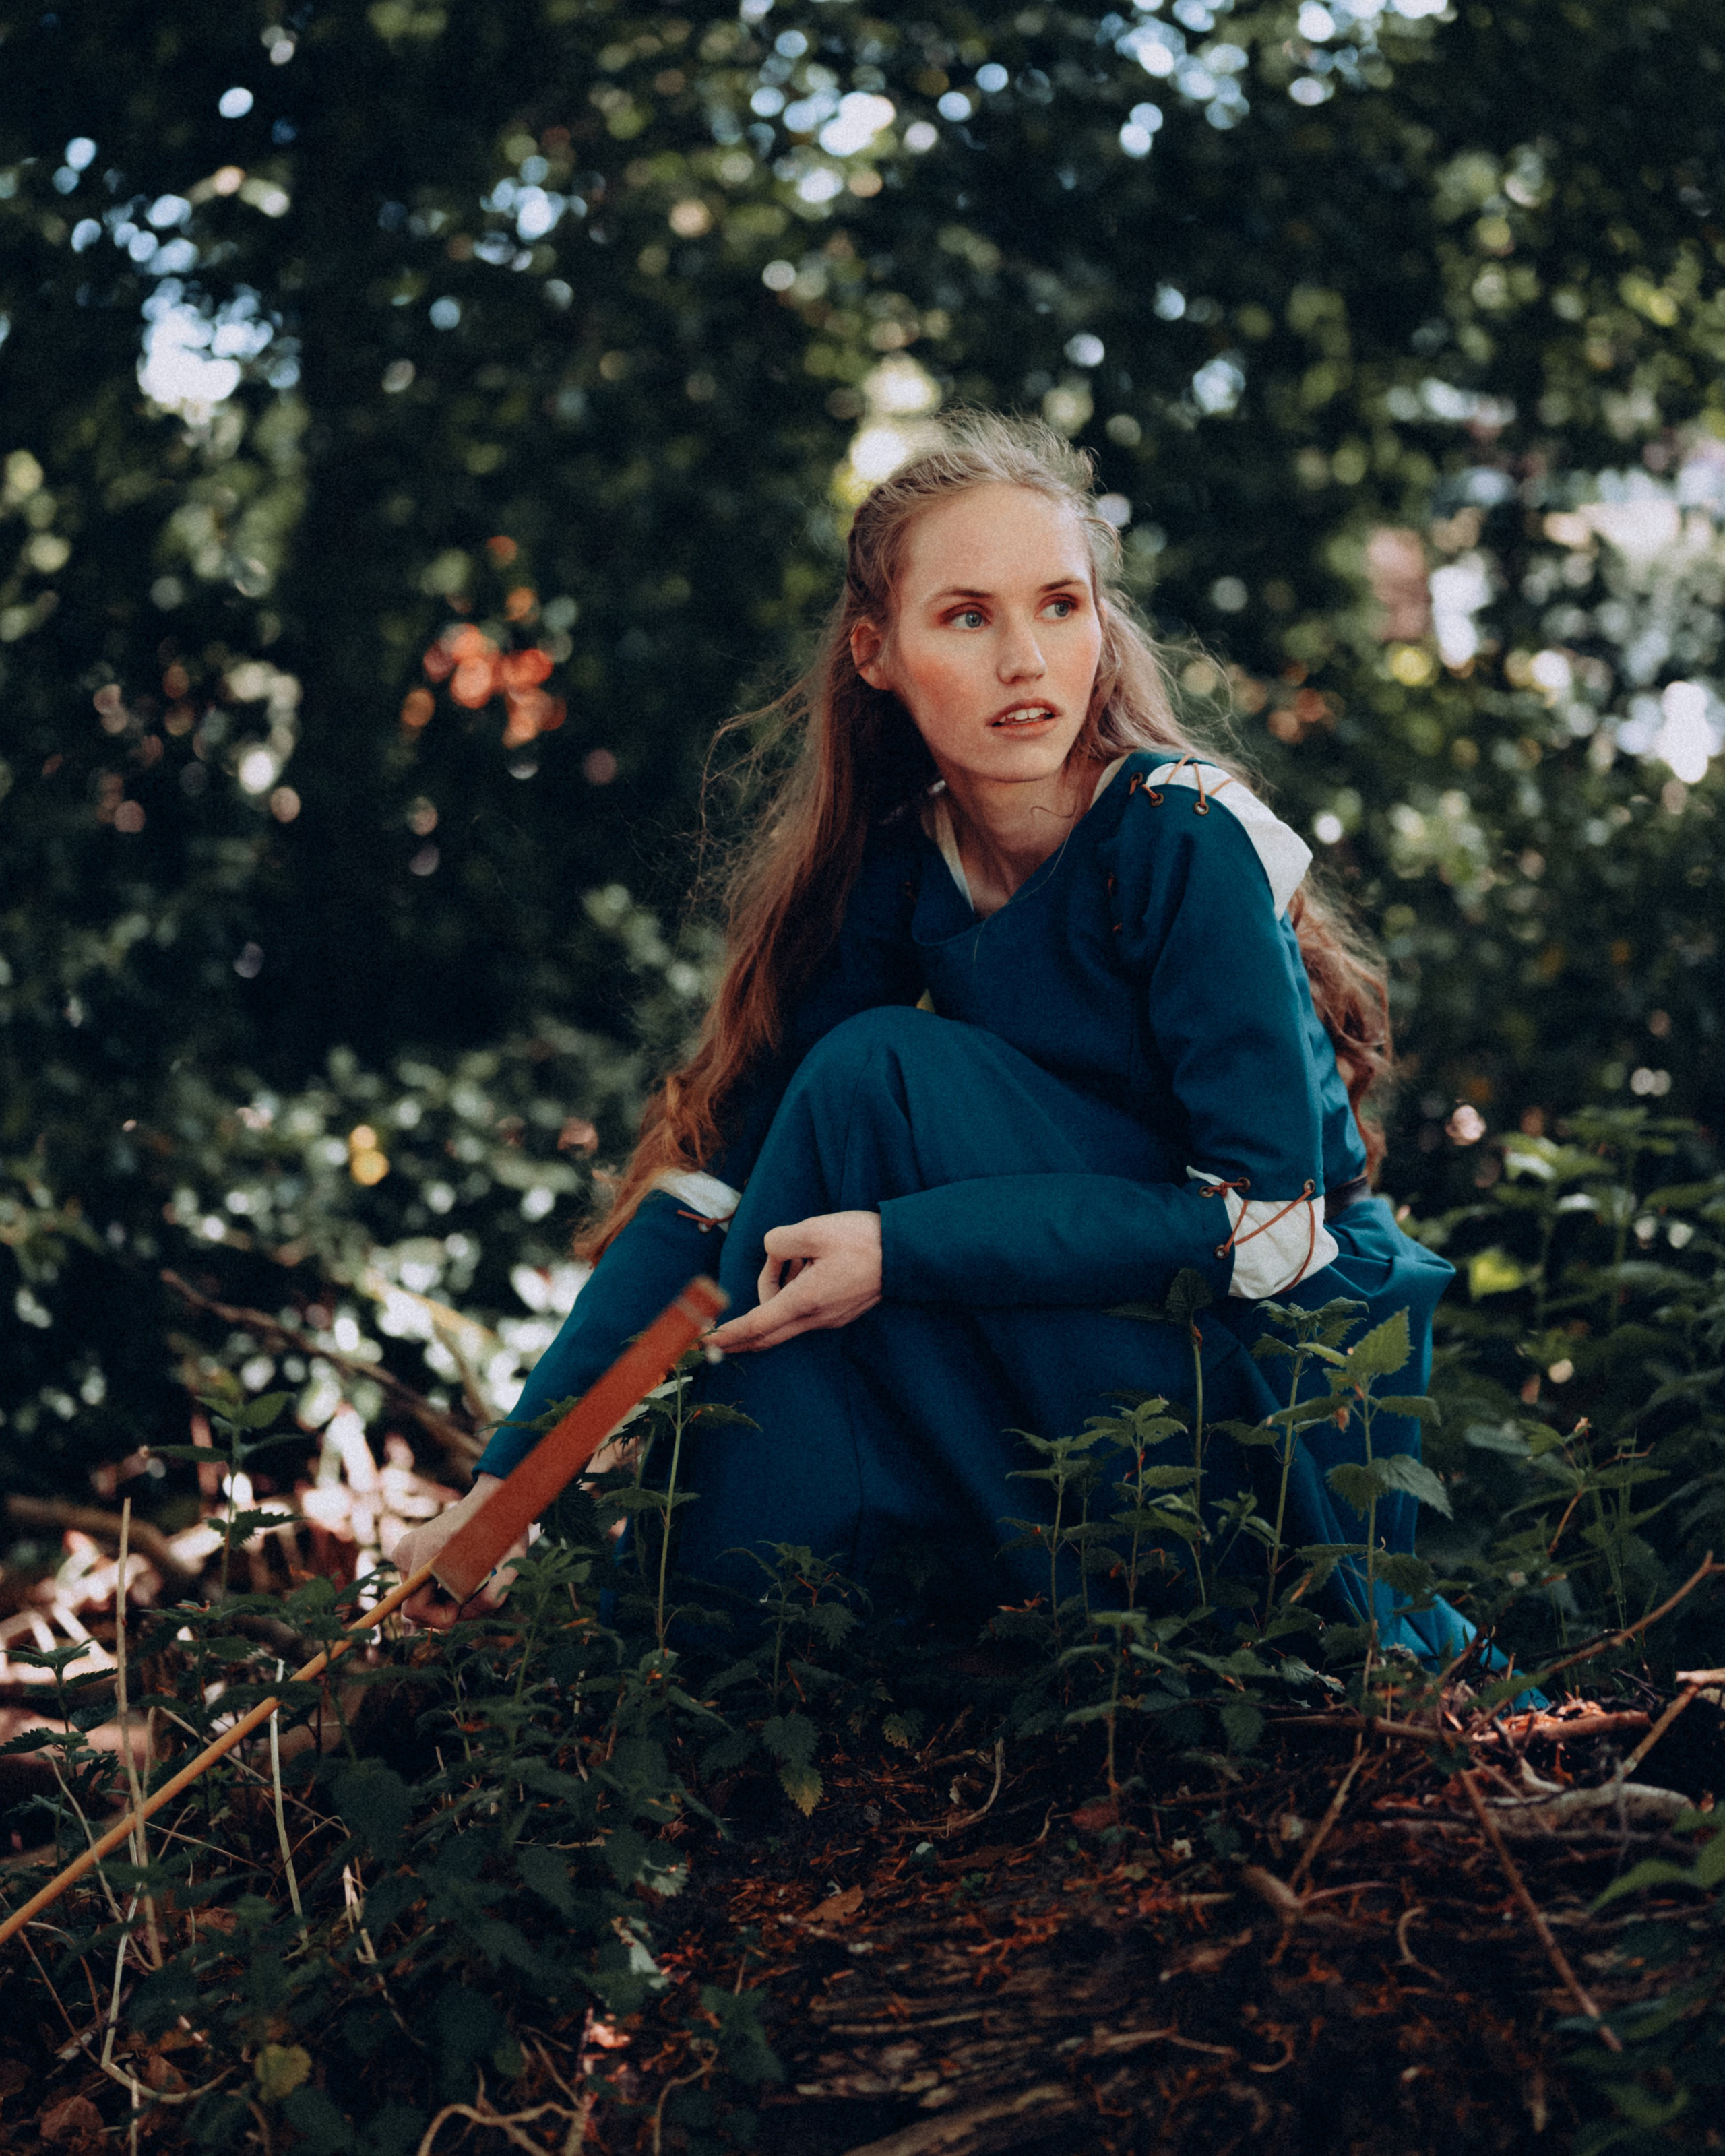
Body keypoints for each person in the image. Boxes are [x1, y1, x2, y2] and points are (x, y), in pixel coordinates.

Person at [396, 413, 1464, 1657]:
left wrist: (904, 1245)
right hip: (1090, 1308)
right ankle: (703, 1646)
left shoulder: (1182, 840)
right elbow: (713, 1192)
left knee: (876, 1084)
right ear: (877, 653)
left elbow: (1272, 1231)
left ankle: (737, 1612)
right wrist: (503, 1489)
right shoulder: (900, 868)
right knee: (824, 1138)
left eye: (1061, 606)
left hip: (1280, 1370)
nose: (1028, 659)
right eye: (968, 617)